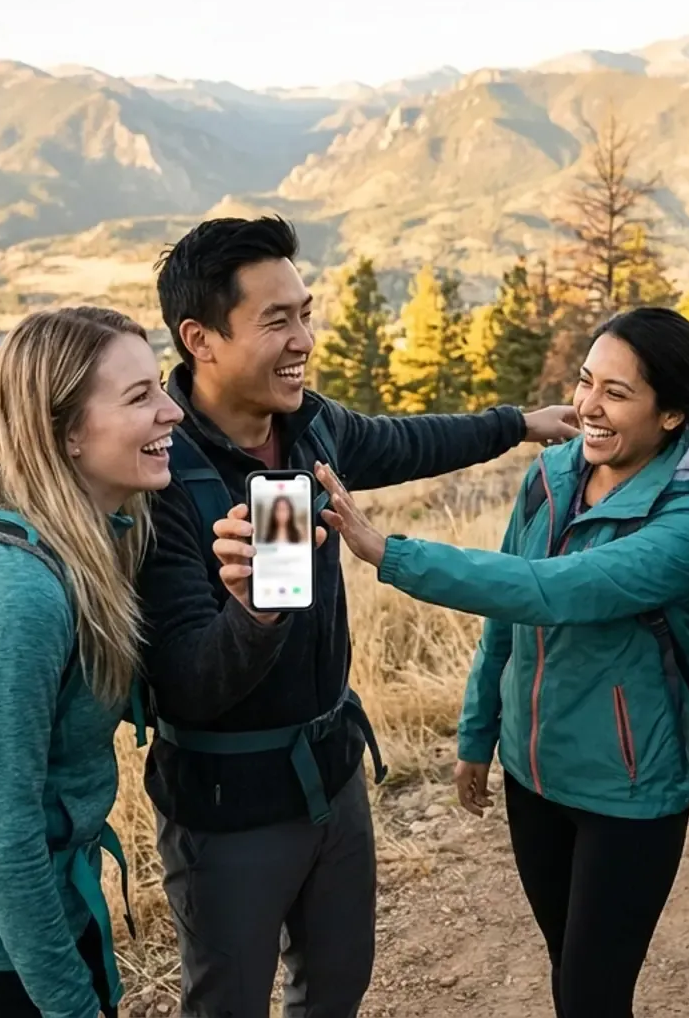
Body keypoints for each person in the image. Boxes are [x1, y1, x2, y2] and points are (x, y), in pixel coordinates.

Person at [136, 215, 579, 1017]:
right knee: (228, 1003)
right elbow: (185, 686)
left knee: (338, 985)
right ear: (200, 338)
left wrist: (516, 424)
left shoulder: (310, 425)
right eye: (277, 320)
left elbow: (406, 443)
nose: (304, 337)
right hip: (228, 805)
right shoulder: (161, 476)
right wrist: (253, 613)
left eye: (305, 312)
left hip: (332, 775)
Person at [305, 307, 689, 1018]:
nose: (588, 407)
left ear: (672, 414)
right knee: (566, 970)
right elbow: (508, 619)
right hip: (533, 774)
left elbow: (547, 590)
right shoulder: (552, 475)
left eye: (617, 392)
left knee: (590, 994)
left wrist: (389, 552)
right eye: (586, 382)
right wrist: (478, 733)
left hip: (629, 792)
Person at [0, 307, 292, 1018]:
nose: (173, 410)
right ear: (67, 431)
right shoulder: (12, 597)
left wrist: (245, 610)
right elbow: (1, 838)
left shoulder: (99, 543)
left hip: (51, 908)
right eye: (140, 396)